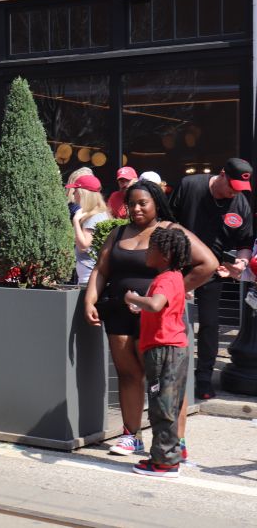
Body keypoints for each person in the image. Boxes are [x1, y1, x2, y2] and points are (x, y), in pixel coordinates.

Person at [84, 180, 216, 456]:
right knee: (129, 375)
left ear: (156, 202)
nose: (136, 208)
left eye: (143, 202)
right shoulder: (118, 233)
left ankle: (175, 442)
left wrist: (173, 292)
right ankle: (132, 435)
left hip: (157, 318)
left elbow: (209, 263)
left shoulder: (171, 231)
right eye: (131, 203)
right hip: (118, 310)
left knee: (167, 381)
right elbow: (101, 270)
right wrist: (90, 299)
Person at [169, 158, 254, 400]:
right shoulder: (189, 186)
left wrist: (241, 263)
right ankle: (168, 376)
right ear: (222, 174)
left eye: (239, 189)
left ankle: (203, 377)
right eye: (232, 186)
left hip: (213, 270)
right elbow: (166, 222)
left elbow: (245, 242)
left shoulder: (240, 203)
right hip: (177, 264)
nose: (234, 192)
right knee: (171, 319)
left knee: (209, 323)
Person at [124, 227, 192, 478]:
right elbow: (161, 309)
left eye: (151, 248)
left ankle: (164, 462)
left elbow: (155, 304)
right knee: (168, 403)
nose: (146, 252)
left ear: (165, 253)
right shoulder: (173, 277)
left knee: (161, 404)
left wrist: (133, 297)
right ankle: (169, 454)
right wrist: (140, 307)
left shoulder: (165, 279)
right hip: (171, 348)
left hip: (164, 349)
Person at [69, 174, 109, 284]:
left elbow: (83, 246)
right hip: (89, 276)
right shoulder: (98, 213)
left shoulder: (94, 216)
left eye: (76, 190)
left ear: (83, 194)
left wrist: (76, 221)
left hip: (89, 277)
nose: (73, 193)